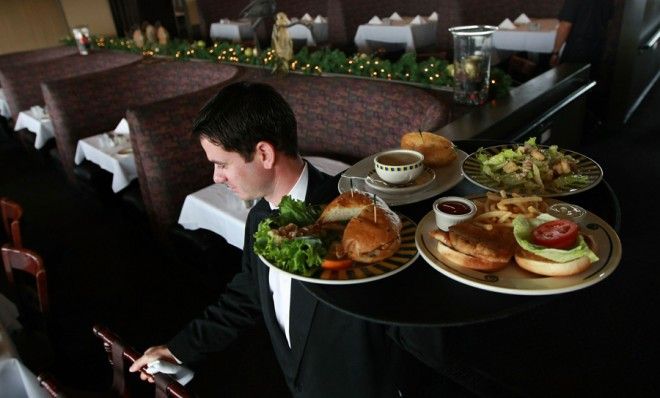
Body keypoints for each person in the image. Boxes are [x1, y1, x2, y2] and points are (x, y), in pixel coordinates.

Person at [129, 81, 448, 397]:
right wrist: (178, 350)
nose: (216, 177)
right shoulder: (258, 218)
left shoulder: (356, 224)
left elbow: (407, 329)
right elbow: (248, 295)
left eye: (222, 164)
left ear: (264, 153)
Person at [549, 0, 614, 71]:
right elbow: (609, 21)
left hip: (578, 48)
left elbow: (566, 25)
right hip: (598, 47)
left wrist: (556, 52)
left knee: (571, 78)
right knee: (590, 78)